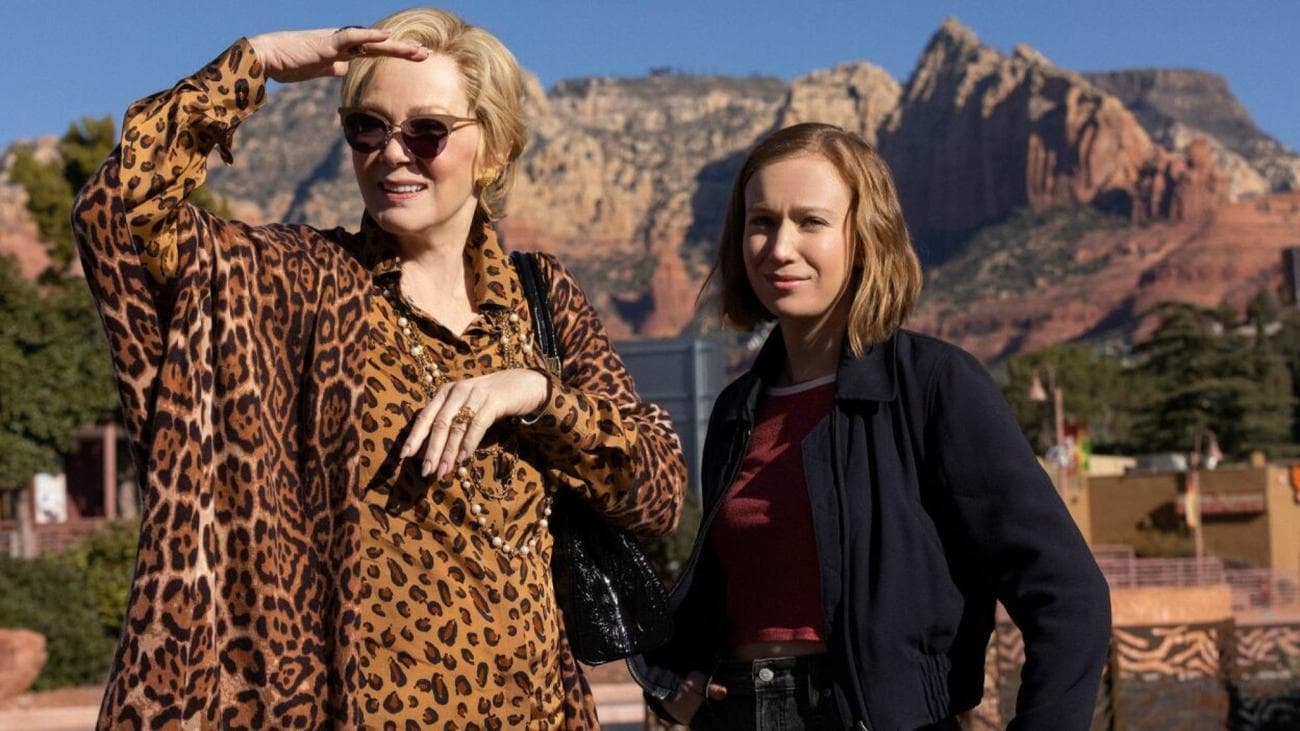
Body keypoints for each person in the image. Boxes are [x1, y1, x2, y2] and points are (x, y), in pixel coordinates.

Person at [72, 8, 686, 729]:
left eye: (426, 131)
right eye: (368, 126)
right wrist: (254, 62)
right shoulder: (301, 280)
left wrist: (537, 396)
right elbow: (117, 215)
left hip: (539, 711)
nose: (393, 153)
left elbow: (657, 490)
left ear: (491, 151)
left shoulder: (539, 298)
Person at [629, 123, 1111, 730]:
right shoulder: (736, 410)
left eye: (811, 222)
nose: (779, 247)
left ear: (865, 237)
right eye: (761, 222)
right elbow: (733, 595)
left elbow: (1069, 596)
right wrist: (673, 677)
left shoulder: (935, 386)